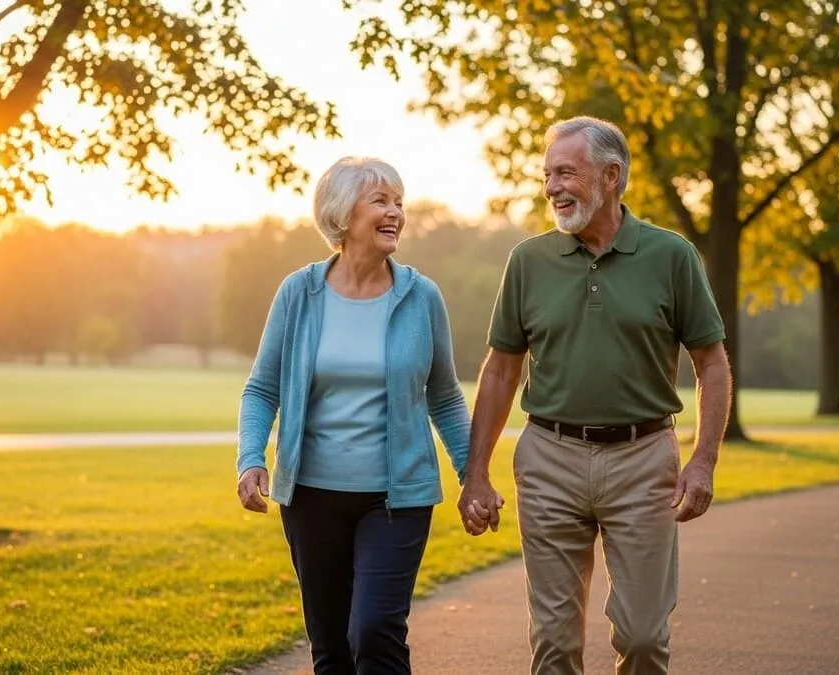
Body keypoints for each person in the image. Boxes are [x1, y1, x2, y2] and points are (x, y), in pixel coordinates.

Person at [459, 116, 732, 675]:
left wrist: (703, 460)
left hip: (643, 459)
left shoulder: (671, 256)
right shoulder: (528, 261)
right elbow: (500, 371)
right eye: (547, 175)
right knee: (555, 642)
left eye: (566, 172)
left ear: (611, 176)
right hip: (549, 458)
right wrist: (476, 471)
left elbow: (712, 363)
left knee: (642, 638)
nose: (552, 187)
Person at [235, 156, 470, 675]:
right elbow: (261, 388)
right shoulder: (299, 293)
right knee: (332, 647)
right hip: (311, 497)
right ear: (342, 214)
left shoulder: (420, 296)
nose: (396, 214)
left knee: (374, 632)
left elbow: (446, 398)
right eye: (381, 201)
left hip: (397, 497)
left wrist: (470, 475)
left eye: (399, 202)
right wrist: (250, 458)